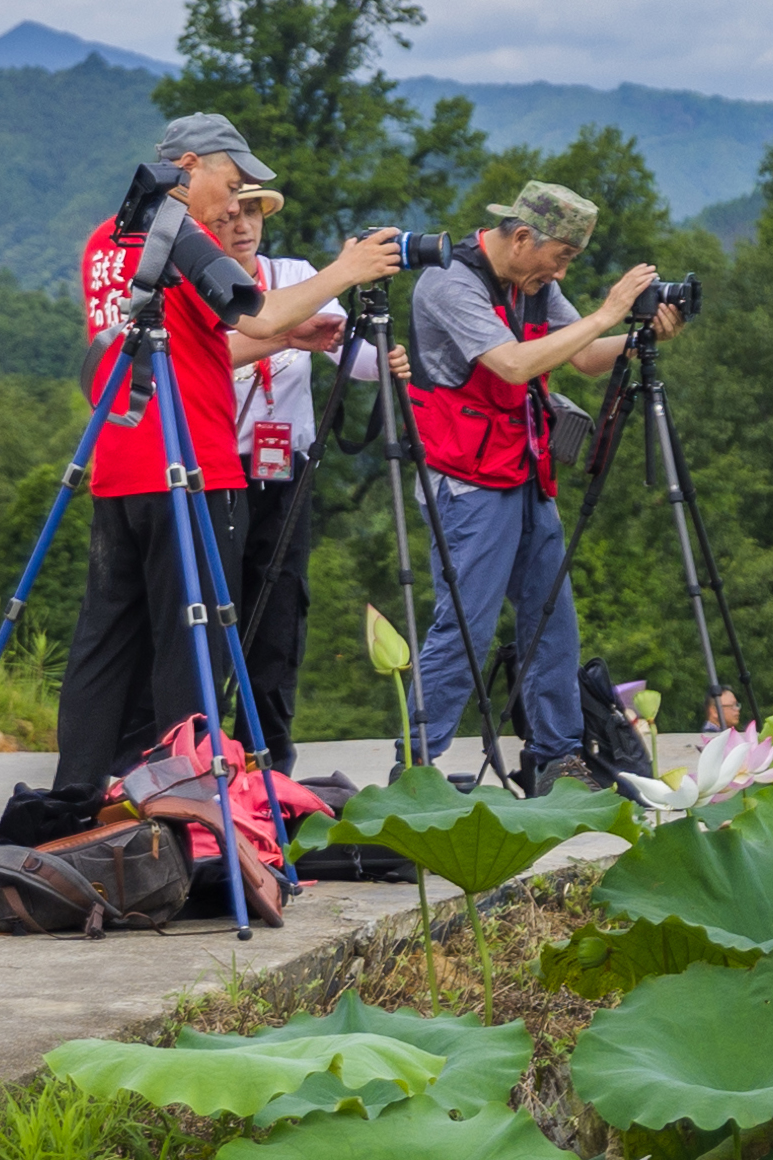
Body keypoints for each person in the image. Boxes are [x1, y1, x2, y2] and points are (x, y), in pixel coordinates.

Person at [54, 114, 404, 790]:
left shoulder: (106, 238)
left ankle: (79, 797)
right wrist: (346, 269)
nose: (235, 204)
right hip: (196, 470)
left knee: (105, 649)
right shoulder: (179, 232)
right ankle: (186, 810)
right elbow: (258, 313)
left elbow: (183, 346)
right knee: (193, 654)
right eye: (232, 182)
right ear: (190, 167)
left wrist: (288, 339)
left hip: (119, 465)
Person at [408, 182, 685, 781]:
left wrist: (638, 338)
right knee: (466, 625)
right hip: (466, 483)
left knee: (552, 619)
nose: (562, 271)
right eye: (561, 257)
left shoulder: (535, 284)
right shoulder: (450, 282)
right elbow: (513, 365)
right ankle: (416, 769)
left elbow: (582, 356)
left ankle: (554, 758)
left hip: (524, 469)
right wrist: (608, 311)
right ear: (523, 236)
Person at [218, 185, 404, 771]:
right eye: (234, 212)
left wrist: (386, 356)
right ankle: (198, 744)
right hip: (219, 466)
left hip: (285, 468)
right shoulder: (202, 283)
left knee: (278, 609)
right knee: (215, 602)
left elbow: (346, 351)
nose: (244, 225)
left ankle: (268, 752)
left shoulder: (295, 274)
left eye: (254, 212)